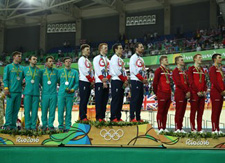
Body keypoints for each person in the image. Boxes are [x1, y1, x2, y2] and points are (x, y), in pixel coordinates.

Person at [3, 51, 23, 130]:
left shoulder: (22, 68)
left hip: (18, 92)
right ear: (14, 57)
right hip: (10, 92)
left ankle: (13, 125)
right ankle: (7, 125)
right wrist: (6, 88)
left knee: (16, 110)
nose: (20, 57)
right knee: (9, 109)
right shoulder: (8, 67)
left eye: (20, 56)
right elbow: (5, 79)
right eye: (19, 56)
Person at [58, 57, 79, 131]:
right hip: (61, 94)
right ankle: (60, 126)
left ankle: (68, 126)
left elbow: (77, 83)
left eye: (69, 61)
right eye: (66, 61)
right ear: (64, 63)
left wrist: (73, 89)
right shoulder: (60, 71)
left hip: (70, 94)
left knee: (68, 111)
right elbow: (57, 81)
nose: (68, 62)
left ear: (71, 63)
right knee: (60, 110)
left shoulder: (75, 72)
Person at [188, 54, 207, 133]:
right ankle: (193, 128)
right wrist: (197, 91)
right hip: (194, 94)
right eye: (199, 57)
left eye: (201, 57)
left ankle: (200, 128)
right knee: (193, 112)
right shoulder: (191, 69)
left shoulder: (202, 69)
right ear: (195, 59)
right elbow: (191, 82)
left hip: (202, 94)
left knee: (200, 112)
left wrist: (204, 90)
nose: (201, 59)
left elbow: (204, 81)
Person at [129, 42, 148, 122]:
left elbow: (143, 70)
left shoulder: (141, 59)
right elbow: (133, 70)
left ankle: (138, 117)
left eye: (142, 47)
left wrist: (145, 78)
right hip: (135, 80)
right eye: (141, 47)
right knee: (135, 99)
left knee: (140, 99)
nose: (142, 48)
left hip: (141, 81)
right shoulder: (133, 58)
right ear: (136, 48)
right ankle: (132, 117)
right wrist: (141, 78)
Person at [110, 43, 128, 122]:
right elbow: (117, 70)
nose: (122, 50)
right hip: (116, 80)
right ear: (116, 50)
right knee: (116, 99)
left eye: (122, 48)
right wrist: (124, 79)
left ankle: (118, 116)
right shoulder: (114, 58)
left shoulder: (121, 59)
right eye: (120, 48)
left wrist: (126, 79)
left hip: (121, 80)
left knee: (120, 99)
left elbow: (123, 71)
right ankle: (113, 117)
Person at [153, 56, 171, 133]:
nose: (167, 61)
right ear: (161, 61)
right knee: (161, 111)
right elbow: (155, 82)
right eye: (165, 60)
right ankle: (160, 127)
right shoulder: (158, 70)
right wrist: (156, 93)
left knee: (165, 112)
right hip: (161, 93)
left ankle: (164, 127)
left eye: (167, 59)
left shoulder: (167, 70)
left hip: (168, 93)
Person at [93, 43, 111, 122]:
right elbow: (97, 70)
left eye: (107, 48)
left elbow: (111, 71)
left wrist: (107, 79)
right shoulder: (96, 58)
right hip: (99, 82)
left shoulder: (108, 60)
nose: (106, 49)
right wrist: (102, 80)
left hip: (107, 82)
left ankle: (102, 117)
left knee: (105, 100)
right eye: (105, 48)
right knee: (99, 100)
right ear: (100, 49)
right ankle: (98, 117)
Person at [23, 55, 41, 130]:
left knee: (34, 112)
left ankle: (33, 127)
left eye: (36, 59)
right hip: (27, 93)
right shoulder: (25, 69)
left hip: (36, 94)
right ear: (29, 60)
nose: (35, 60)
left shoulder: (39, 70)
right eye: (34, 59)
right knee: (26, 111)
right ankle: (27, 126)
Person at [172, 56, 190, 133]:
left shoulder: (184, 72)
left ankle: (180, 127)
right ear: (177, 62)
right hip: (179, 93)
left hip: (185, 94)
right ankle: (177, 128)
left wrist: (188, 91)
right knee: (179, 111)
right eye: (181, 60)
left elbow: (187, 83)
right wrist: (186, 91)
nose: (183, 61)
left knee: (182, 111)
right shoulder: (175, 71)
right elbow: (178, 83)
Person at [41, 56, 58, 131]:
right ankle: (44, 124)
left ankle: (50, 124)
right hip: (45, 94)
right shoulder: (42, 72)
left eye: (52, 61)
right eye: (50, 61)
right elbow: (40, 82)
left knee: (52, 110)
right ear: (46, 63)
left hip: (53, 94)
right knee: (44, 110)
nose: (51, 63)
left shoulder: (56, 71)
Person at [209, 53, 225, 134]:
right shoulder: (212, 68)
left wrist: (224, 90)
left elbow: (221, 81)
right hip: (216, 92)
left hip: (221, 92)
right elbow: (214, 81)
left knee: (219, 111)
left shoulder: (219, 69)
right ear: (214, 59)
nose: (220, 59)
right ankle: (214, 129)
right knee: (215, 111)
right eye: (219, 58)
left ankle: (217, 129)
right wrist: (221, 91)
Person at [78, 44, 94, 121]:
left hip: (88, 81)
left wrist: (92, 79)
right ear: (82, 51)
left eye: (89, 50)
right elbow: (84, 71)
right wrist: (91, 80)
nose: (89, 51)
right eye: (87, 50)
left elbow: (91, 71)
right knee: (83, 99)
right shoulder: (81, 59)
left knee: (86, 99)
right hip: (84, 81)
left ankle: (84, 115)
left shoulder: (88, 60)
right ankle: (82, 116)